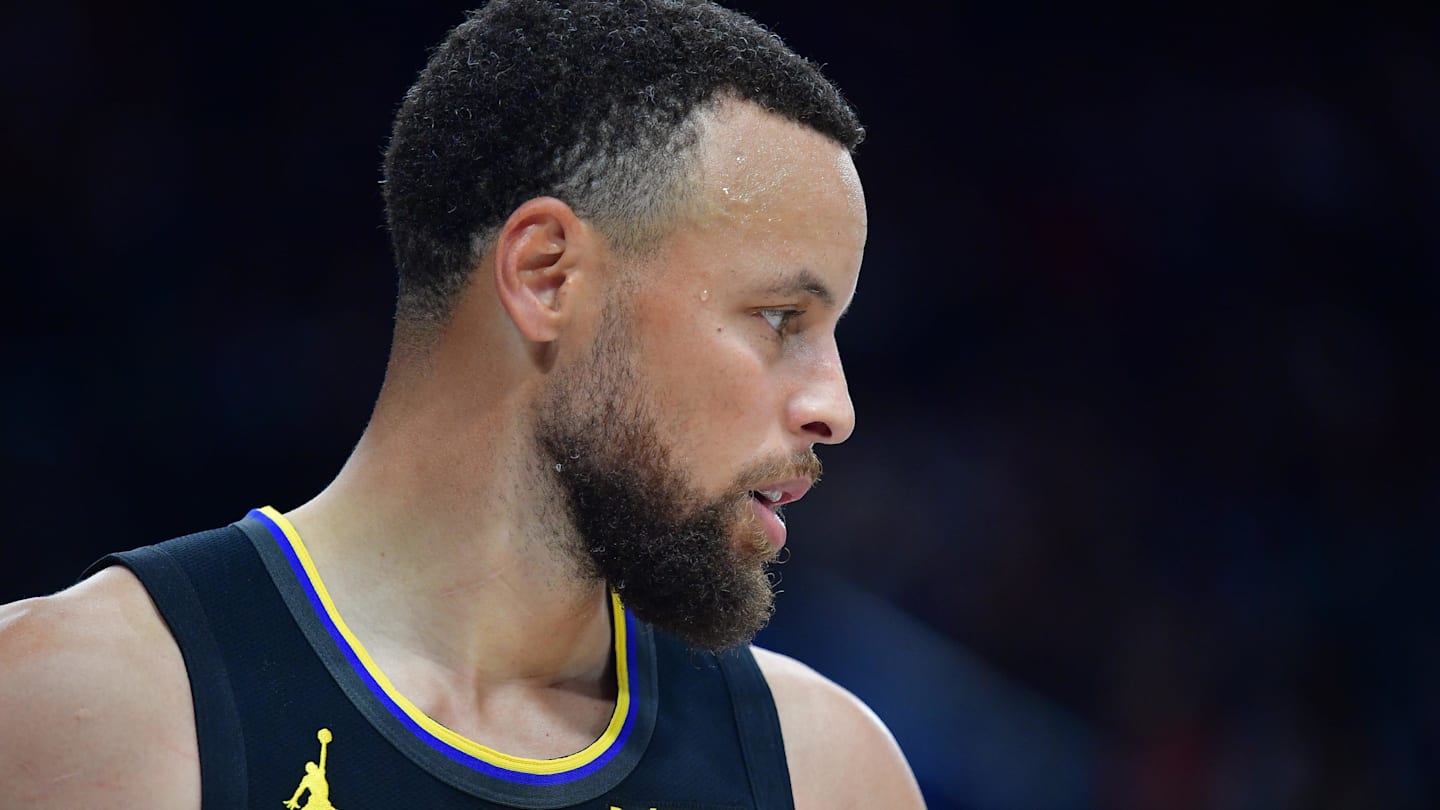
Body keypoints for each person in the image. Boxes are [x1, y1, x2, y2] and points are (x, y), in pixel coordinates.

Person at [0, 1, 925, 807]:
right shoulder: (88, 707)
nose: (834, 407)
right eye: (780, 316)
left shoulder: (827, 774)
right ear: (545, 274)